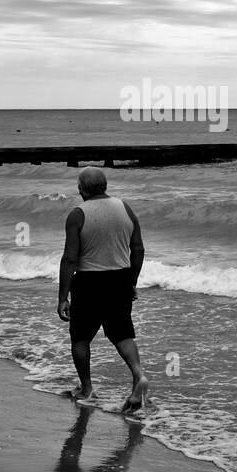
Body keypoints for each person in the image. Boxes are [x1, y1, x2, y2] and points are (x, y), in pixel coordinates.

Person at [57, 167, 148, 412]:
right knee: (122, 334)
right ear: (105, 185)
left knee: (80, 337)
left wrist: (63, 297)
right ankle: (138, 377)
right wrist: (131, 282)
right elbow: (138, 249)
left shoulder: (78, 215)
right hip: (119, 280)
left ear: (81, 189)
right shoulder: (125, 208)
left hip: (89, 282)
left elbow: (69, 259)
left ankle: (87, 389)